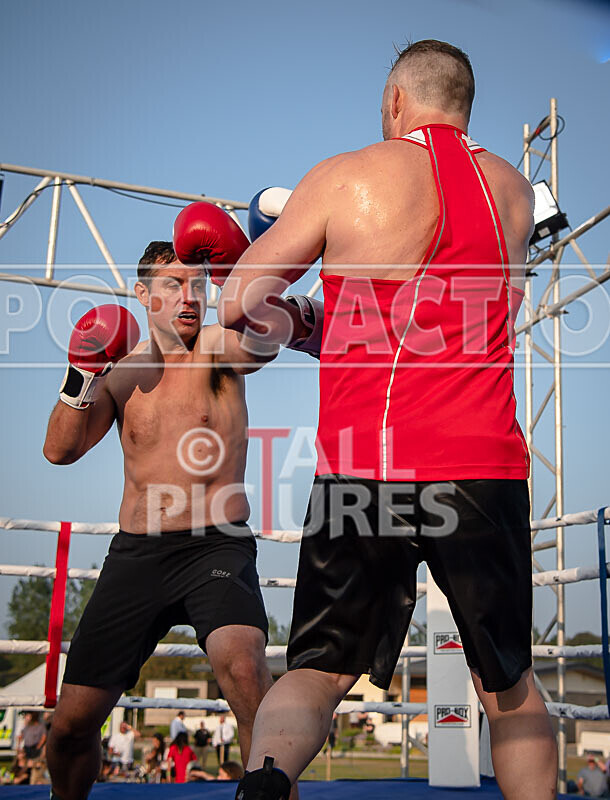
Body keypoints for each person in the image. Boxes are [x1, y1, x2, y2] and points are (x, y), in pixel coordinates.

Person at [219, 39, 557, 800]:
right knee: (507, 686)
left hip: (364, 470)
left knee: (318, 670)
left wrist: (298, 301)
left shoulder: (348, 175)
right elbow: (441, 310)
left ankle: (268, 782)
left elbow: (238, 303)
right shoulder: (514, 193)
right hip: (482, 469)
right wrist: (326, 322)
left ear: (397, 100)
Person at [43, 222, 316, 800]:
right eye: (173, 284)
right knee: (68, 729)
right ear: (144, 295)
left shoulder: (222, 346)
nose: (190, 296)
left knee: (244, 671)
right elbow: (60, 451)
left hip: (216, 544)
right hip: (137, 555)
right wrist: (83, 372)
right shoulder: (121, 373)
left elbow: (270, 335)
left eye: (199, 283)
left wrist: (265, 277)